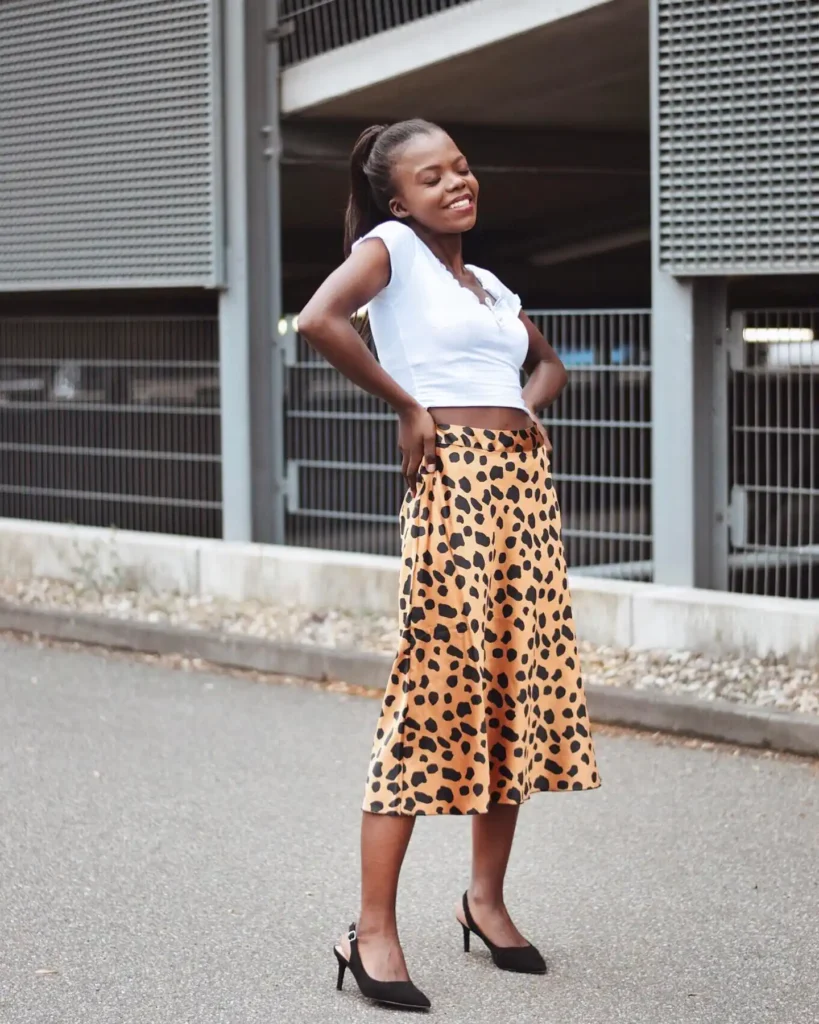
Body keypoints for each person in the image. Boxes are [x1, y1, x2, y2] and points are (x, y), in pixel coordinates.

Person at [298, 119, 602, 1012]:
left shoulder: (489, 286)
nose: (455, 183)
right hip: (455, 487)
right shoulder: (388, 248)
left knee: (513, 694)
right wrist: (409, 404)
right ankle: (370, 929)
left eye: (461, 168)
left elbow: (547, 367)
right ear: (399, 200)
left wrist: (523, 408)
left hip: (523, 494)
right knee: (430, 695)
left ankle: (485, 902)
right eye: (432, 177)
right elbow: (320, 320)